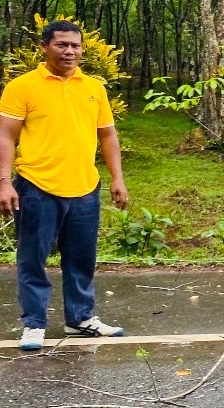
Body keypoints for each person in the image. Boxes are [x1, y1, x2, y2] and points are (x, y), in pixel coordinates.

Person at [0, 20, 130, 351]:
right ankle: (34, 323)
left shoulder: (94, 88)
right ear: (44, 47)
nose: (69, 51)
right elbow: (6, 136)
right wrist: (4, 182)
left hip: (85, 186)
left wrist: (117, 177)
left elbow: (107, 134)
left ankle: (81, 318)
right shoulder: (22, 86)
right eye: (62, 45)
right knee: (33, 257)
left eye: (75, 45)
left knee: (81, 257)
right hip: (36, 185)